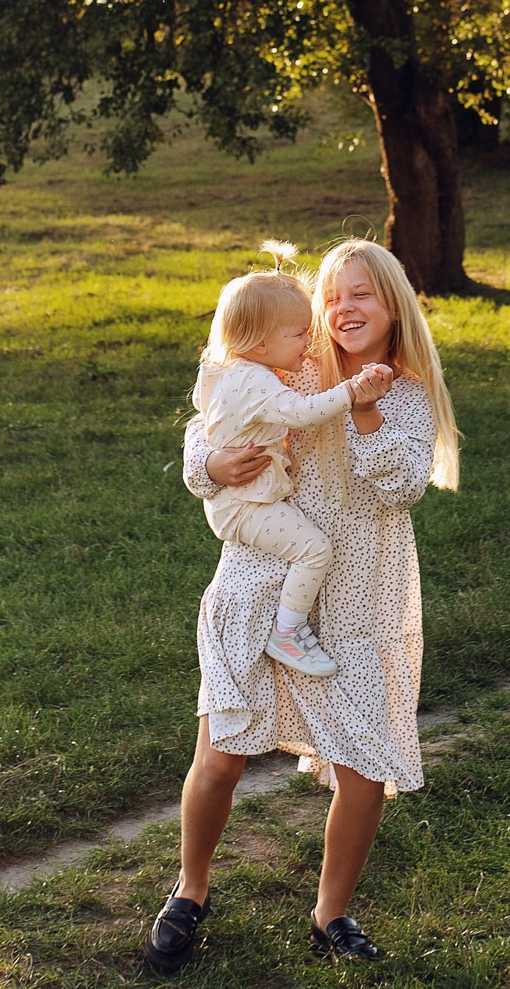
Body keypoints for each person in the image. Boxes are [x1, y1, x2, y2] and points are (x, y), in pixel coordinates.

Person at [144, 240, 462, 973]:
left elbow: (398, 487)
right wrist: (208, 464)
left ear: (393, 308)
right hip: (263, 574)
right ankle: (190, 889)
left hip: (361, 595)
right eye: (333, 295)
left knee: (361, 769)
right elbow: (217, 408)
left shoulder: (407, 391)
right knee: (221, 756)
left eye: (363, 295)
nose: (344, 308)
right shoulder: (299, 363)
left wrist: (370, 410)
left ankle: (331, 913)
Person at [188, 269, 396, 676]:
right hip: (246, 504)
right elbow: (302, 413)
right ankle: (287, 631)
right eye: (299, 334)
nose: (309, 341)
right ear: (262, 343)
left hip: (239, 499)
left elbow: (202, 406)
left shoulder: (220, 368)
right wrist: (353, 392)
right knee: (314, 549)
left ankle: (285, 627)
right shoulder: (255, 381)